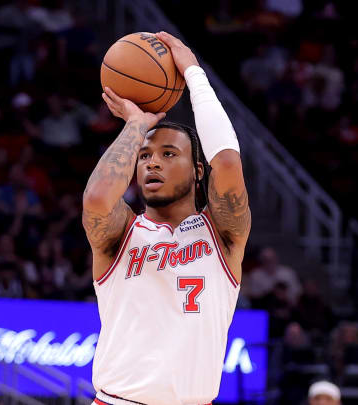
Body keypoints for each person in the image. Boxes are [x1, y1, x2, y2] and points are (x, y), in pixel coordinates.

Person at [83, 32, 250, 405]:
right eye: (144, 156)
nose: (153, 161)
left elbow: (226, 160)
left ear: (197, 171)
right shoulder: (121, 234)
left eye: (168, 154)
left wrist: (193, 72)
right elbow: (96, 197)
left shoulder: (222, 234)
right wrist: (135, 126)